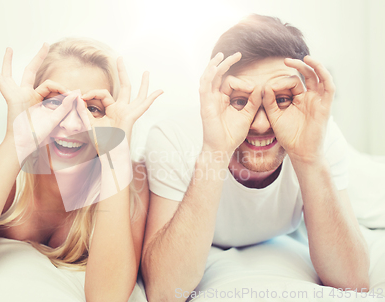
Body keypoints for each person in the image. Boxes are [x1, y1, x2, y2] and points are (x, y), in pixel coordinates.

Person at [141, 15, 370, 301]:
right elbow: (164, 292)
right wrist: (215, 152)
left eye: (282, 99)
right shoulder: (171, 138)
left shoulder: (321, 134)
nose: (261, 124)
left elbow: (353, 282)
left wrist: (308, 158)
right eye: (240, 101)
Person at [0, 38, 163, 301]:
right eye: (54, 103)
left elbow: (107, 298)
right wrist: (17, 139)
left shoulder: (132, 183)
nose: (72, 125)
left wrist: (115, 151)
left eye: (91, 108)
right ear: (34, 105)